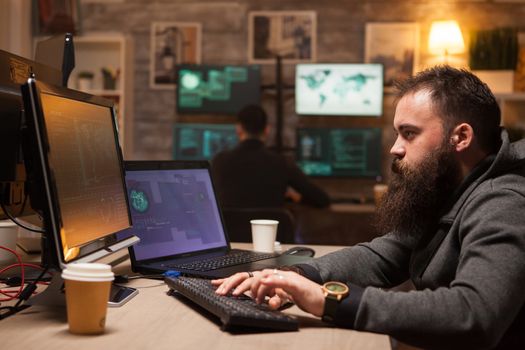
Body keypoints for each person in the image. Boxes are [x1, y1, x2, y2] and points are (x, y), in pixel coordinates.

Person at [212, 66, 525, 349]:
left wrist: (330, 301)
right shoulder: (450, 189)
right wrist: (294, 275)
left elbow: (473, 315)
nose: (395, 148)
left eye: (409, 133)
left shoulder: (505, 203)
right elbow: (383, 255)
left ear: (460, 137)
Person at [211, 104, 330, 209]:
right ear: (267, 130)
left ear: (239, 129)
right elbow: (322, 200)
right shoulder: (282, 163)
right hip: (269, 234)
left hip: (229, 233)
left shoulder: (219, 161)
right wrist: (296, 198)